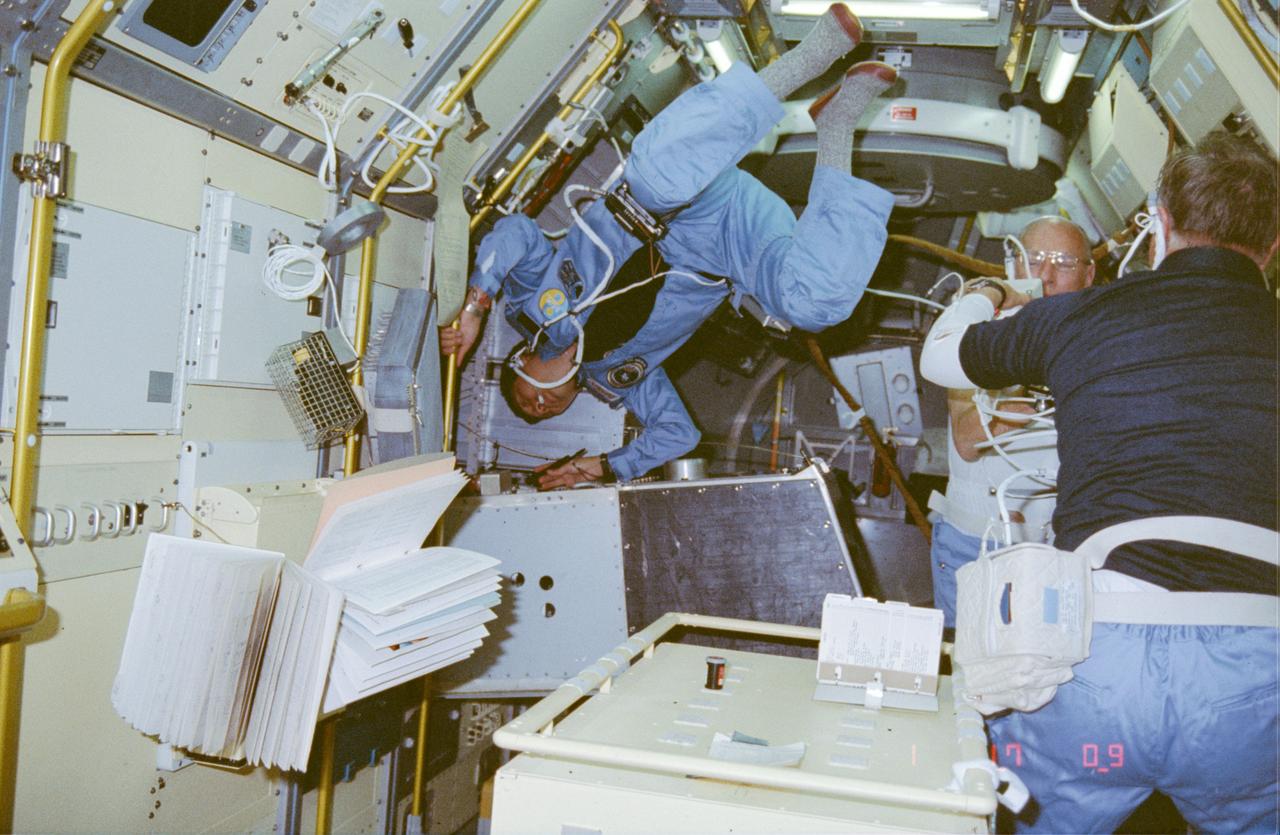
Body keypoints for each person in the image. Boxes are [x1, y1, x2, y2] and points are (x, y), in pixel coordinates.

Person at [919, 132, 1278, 832]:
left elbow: (941, 358)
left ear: (1158, 224)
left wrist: (993, 288)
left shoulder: (1081, 317)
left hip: (1095, 663)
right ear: (1271, 246)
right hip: (1254, 681)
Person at [443, 4, 896, 489]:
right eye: (543, 412)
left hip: (667, 199)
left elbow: (514, 233)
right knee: (815, 307)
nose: (538, 405)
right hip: (724, 248)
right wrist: (601, 466)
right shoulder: (620, 380)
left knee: (657, 179)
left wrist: (474, 303)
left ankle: (803, 63)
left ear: (519, 363)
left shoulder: (530, 305)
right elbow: (679, 435)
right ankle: (838, 125)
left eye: (524, 397)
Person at [928, 216, 1096, 627]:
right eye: (1034, 259)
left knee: (1046, 670)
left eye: (1064, 262)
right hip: (976, 543)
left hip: (1057, 550)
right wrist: (1022, 404)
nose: (1047, 275)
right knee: (970, 675)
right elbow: (968, 439)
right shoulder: (974, 338)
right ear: (1013, 267)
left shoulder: (1100, 342)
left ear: (1089, 275)